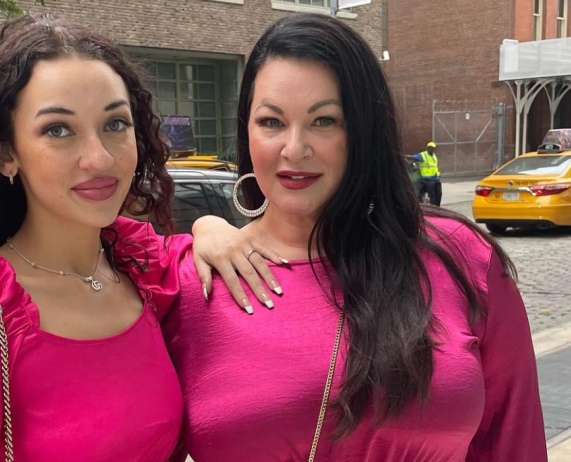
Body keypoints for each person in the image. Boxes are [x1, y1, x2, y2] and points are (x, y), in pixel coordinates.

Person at [0, 14, 280, 462]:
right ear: (6, 154)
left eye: (115, 124)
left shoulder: (140, 270)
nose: (98, 159)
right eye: (57, 130)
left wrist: (210, 226)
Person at [153, 14, 546, 462]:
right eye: (271, 121)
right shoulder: (189, 282)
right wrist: (202, 227)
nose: (294, 148)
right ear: (246, 129)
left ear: (363, 130)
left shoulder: (461, 257)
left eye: (324, 121)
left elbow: (515, 442)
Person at [407, 141, 442, 206]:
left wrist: (438, 175)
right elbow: (412, 157)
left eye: (432, 148)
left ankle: (437, 207)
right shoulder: (423, 155)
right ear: (427, 148)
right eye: (430, 147)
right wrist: (401, 156)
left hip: (436, 178)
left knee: (439, 194)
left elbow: (434, 167)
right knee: (432, 195)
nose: (431, 149)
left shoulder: (434, 156)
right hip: (427, 179)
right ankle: (433, 207)